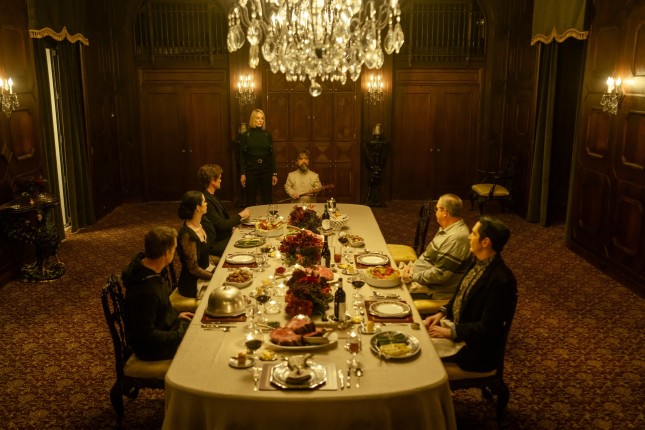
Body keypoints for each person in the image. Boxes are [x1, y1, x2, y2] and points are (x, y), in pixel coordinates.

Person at [424, 216, 517, 379]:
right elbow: (460, 296)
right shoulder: (478, 261)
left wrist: (450, 332)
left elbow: (488, 327)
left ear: (485, 242)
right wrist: (441, 313)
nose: (468, 237)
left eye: (473, 234)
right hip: (458, 328)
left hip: (475, 349)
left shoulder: (501, 280)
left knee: (418, 354)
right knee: (414, 334)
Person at [122, 226, 193, 361]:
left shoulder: (146, 268)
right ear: (167, 253)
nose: (175, 252)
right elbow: (146, 336)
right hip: (152, 349)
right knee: (201, 346)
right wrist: (179, 334)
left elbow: (159, 310)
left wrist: (174, 316)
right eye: (174, 249)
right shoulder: (146, 291)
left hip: (164, 330)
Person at [401, 194, 471, 313]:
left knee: (388, 293)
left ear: (444, 212)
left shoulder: (456, 238)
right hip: (419, 277)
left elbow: (440, 275)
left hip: (433, 289)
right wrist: (412, 267)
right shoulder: (447, 229)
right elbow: (428, 256)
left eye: (437, 209)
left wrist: (412, 276)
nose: (435, 212)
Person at [198, 164, 251, 258]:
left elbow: (222, 220)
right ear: (212, 181)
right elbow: (221, 225)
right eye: (219, 178)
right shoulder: (207, 200)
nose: (220, 180)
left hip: (224, 237)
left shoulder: (211, 196)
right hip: (217, 244)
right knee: (248, 245)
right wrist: (241, 215)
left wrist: (233, 226)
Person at [176, 191, 214, 299]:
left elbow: (205, 254)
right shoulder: (187, 235)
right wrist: (214, 276)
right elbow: (193, 268)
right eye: (204, 202)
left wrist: (215, 269)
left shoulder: (200, 226)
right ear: (198, 207)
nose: (206, 204)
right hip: (193, 283)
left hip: (205, 274)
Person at [239, 109, 277, 206]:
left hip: (266, 168)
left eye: (262, 118)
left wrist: (274, 173)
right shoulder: (246, 135)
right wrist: (242, 173)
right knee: (250, 198)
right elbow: (242, 156)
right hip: (251, 169)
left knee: (267, 198)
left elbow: (272, 155)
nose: (260, 120)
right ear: (253, 119)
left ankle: (267, 215)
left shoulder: (267, 135)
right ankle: (251, 216)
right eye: (257, 118)